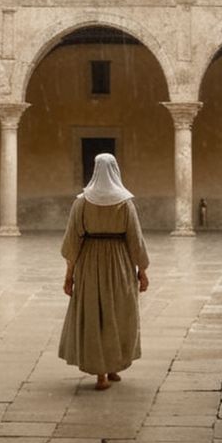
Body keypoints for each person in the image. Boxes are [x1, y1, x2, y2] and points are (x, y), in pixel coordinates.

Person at [60, 153, 150, 391]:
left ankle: (104, 372)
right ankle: (109, 369)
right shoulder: (125, 203)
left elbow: (72, 241)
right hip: (119, 263)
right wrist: (142, 270)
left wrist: (69, 274)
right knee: (117, 313)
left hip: (89, 263)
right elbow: (135, 240)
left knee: (94, 314)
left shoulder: (82, 202)